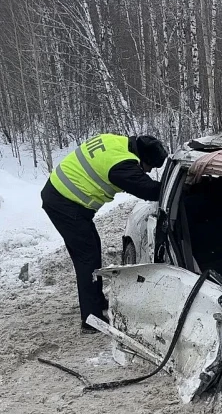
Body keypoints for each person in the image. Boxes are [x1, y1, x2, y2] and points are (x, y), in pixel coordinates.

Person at [41, 134, 168, 333]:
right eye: (149, 166)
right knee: (87, 258)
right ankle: (92, 320)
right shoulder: (121, 165)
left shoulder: (115, 142)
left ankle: (96, 302)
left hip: (60, 196)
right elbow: (149, 190)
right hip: (65, 204)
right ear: (142, 157)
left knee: (90, 251)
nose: (148, 171)